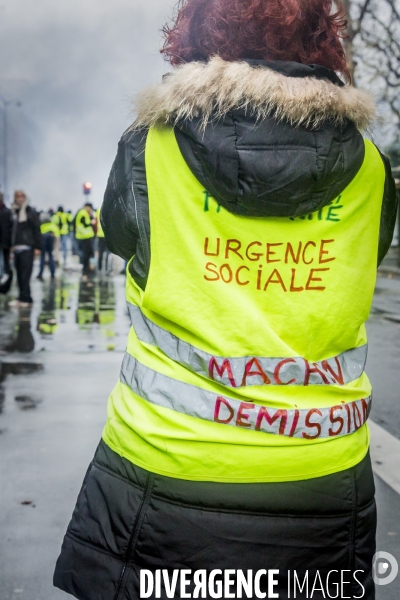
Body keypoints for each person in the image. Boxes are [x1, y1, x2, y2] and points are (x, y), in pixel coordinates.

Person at [54, 1, 397, 599]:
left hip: (165, 467)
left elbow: (119, 235)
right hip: (319, 475)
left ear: (196, 41)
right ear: (324, 44)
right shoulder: (371, 170)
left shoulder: (149, 148)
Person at [10, 190, 41, 307]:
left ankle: (27, 298)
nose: (19, 199)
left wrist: (38, 246)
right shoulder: (13, 212)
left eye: (21, 196)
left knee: (25, 275)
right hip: (16, 247)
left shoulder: (30, 212)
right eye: (17, 196)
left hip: (28, 247)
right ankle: (21, 297)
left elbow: (36, 230)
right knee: (18, 275)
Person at [74, 202, 95, 277]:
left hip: (84, 236)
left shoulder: (82, 212)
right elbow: (85, 223)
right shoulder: (83, 213)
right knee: (86, 254)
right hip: (85, 236)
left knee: (87, 253)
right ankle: (85, 269)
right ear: (87, 207)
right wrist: (91, 222)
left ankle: (87, 268)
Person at [37, 212, 59, 281]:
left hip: (43, 242)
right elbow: (57, 237)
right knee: (50, 256)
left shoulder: (41, 226)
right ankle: (52, 273)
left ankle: (40, 273)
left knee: (42, 257)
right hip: (50, 242)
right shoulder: (53, 226)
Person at [0, 191, 12, 290]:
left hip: (5, 243)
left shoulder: (7, 212)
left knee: (5, 266)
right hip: (5, 243)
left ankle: (4, 286)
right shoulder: (7, 211)